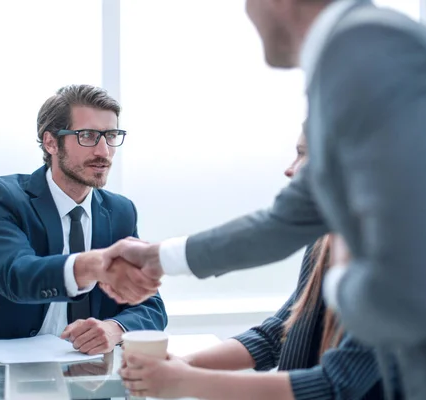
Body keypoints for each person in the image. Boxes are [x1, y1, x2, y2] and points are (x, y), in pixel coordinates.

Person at [104, 0, 426, 399]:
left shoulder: (370, 54)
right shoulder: (359, 58)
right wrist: (158, 257)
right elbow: (284, 221)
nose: (247, 11)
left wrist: (341, 278)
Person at [120, 132, 389, 399]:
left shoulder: (394, 264)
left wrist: (186, 381)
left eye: (304, 154)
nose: (290, 169)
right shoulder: (321, 244)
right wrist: (182, 364)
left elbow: (334, 387)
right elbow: (277, 335)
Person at [0, 84, 167, 355]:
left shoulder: (121, 211)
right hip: (0, 361)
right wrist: (94, 265)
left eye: (110, 135)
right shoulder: (2, 196)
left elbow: (150, 304)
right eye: (87, 135)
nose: (103, 151)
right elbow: (16, 275)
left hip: (85, 370)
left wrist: (114, 328)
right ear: (51, 142)